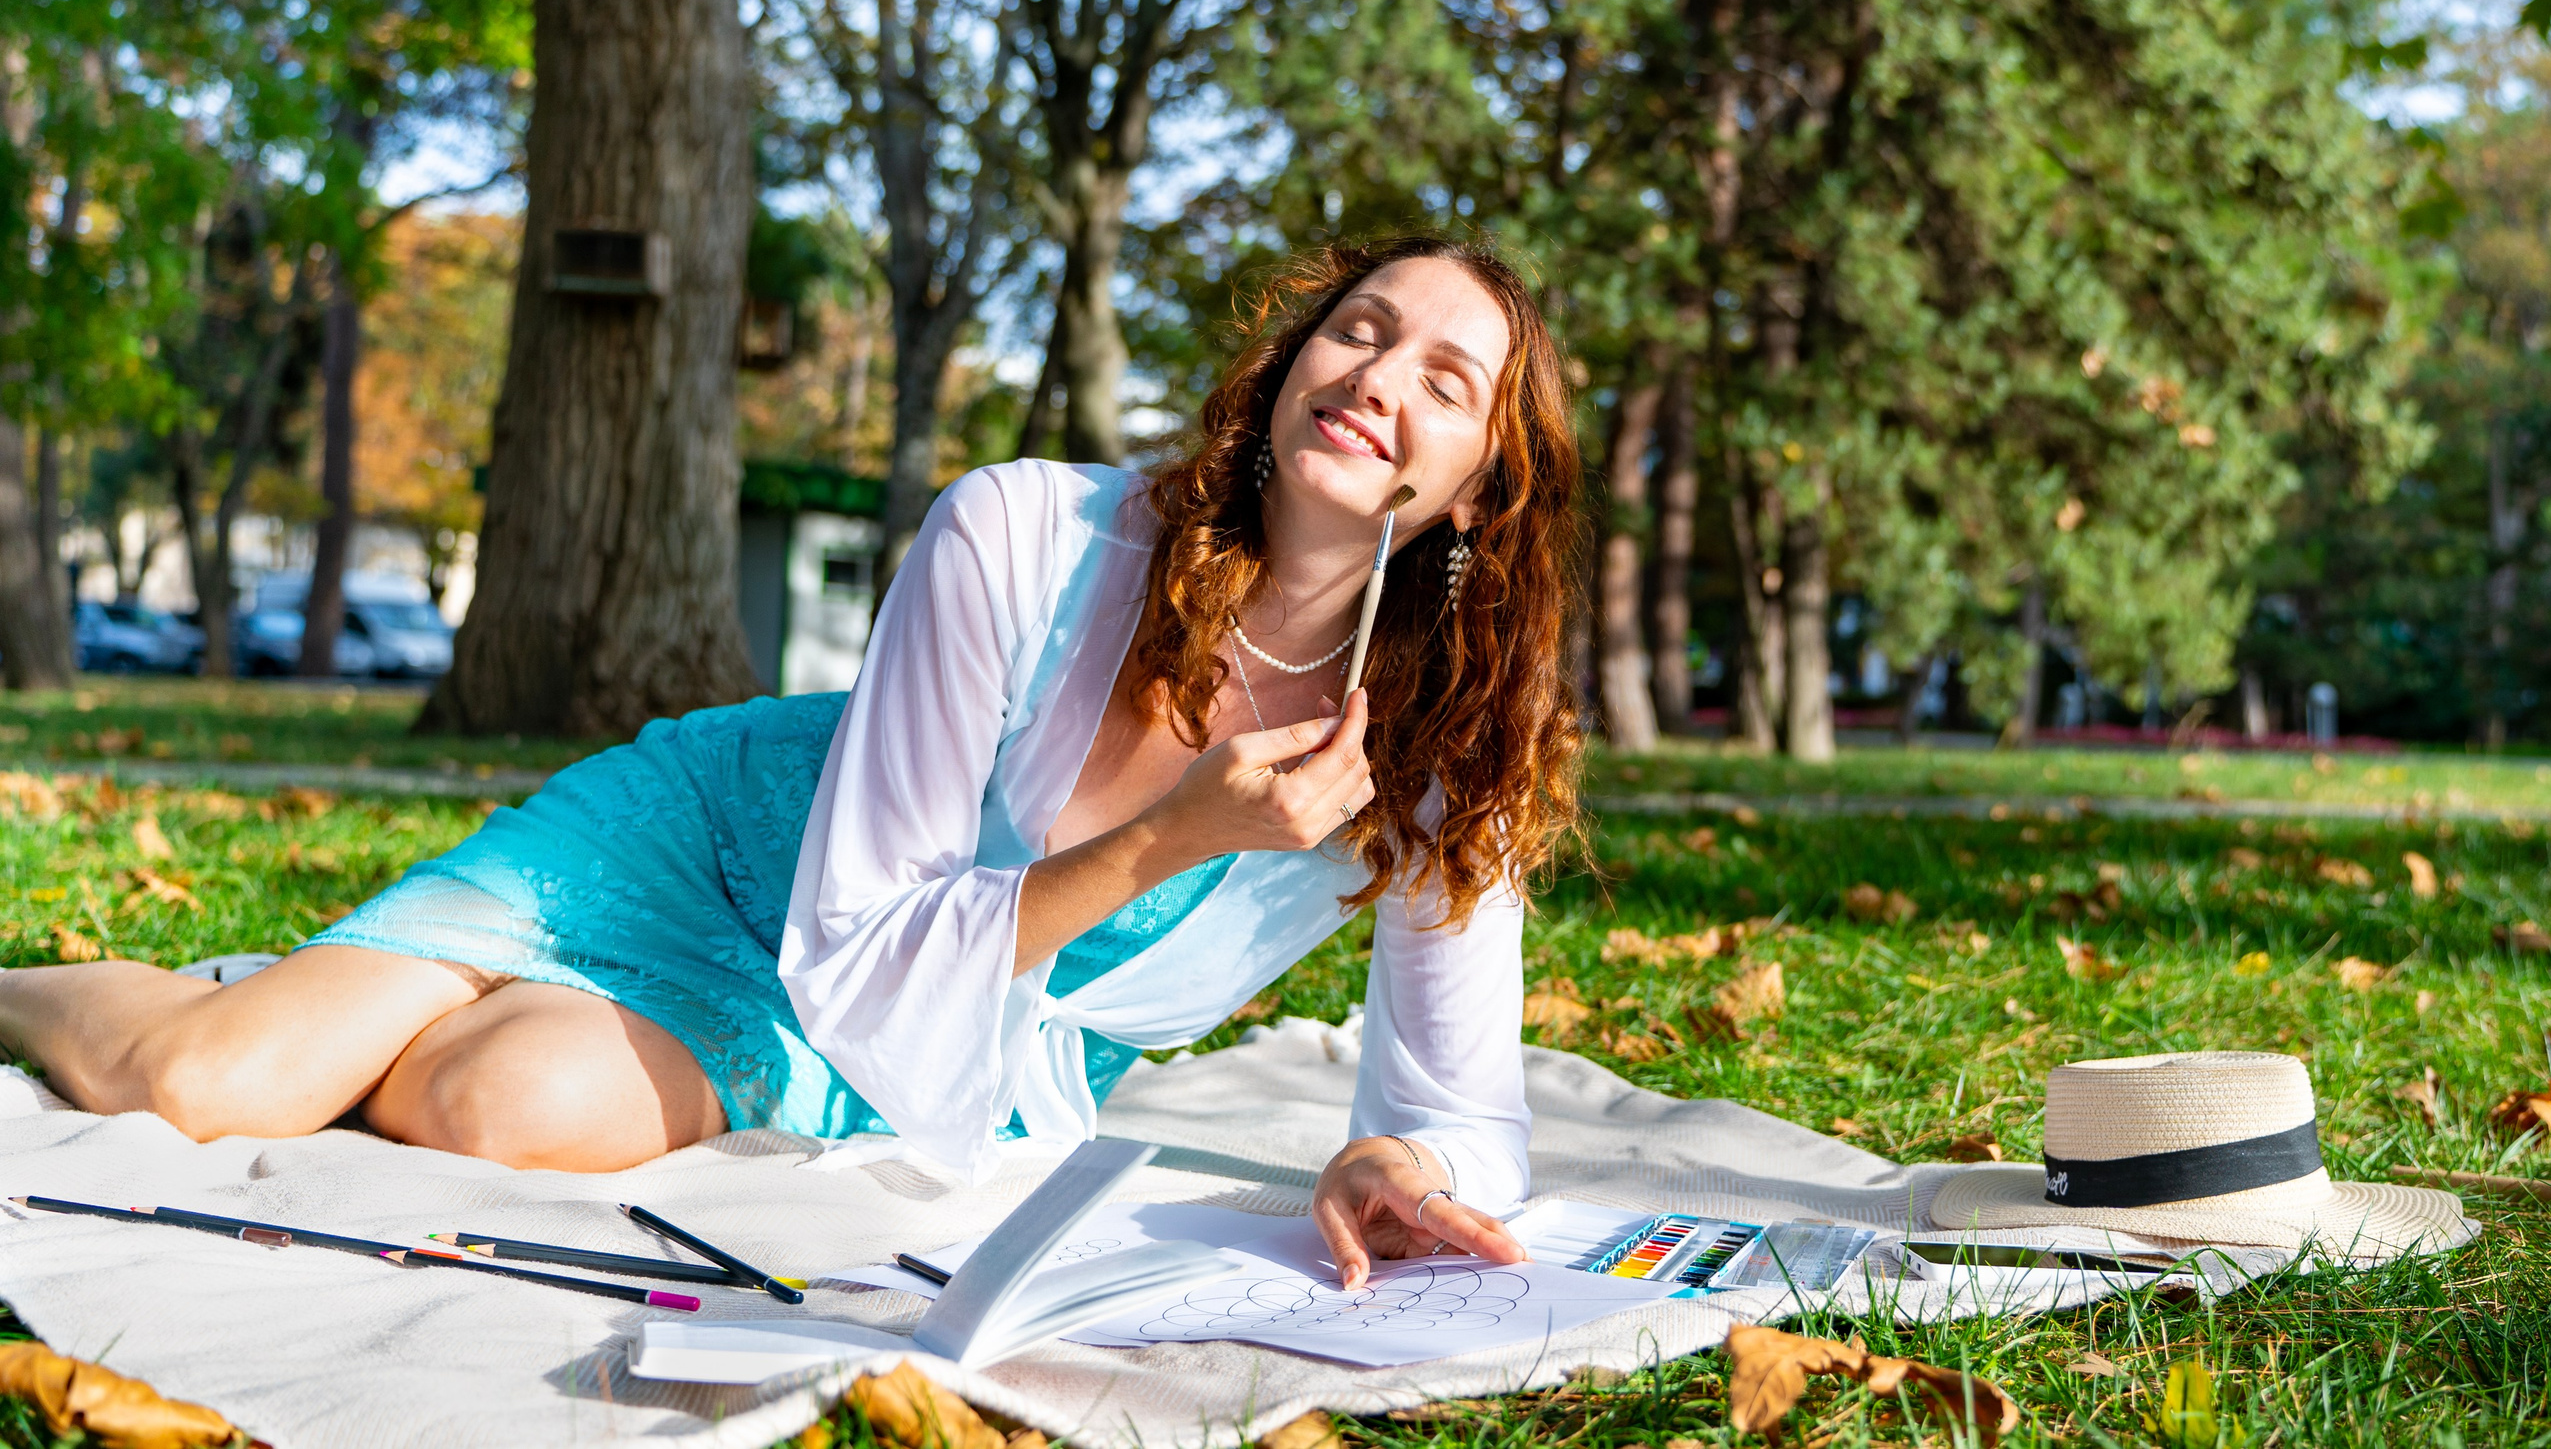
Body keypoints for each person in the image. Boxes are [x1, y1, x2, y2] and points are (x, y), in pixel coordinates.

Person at [0, 234, 1584, 1286]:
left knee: (491, 1105)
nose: (1378, 377)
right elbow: (864, 926)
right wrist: (1171, 835)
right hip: (713, 852)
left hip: (896, 1035)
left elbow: (1463, 1107)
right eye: (1358, 330)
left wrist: (1395, 1161)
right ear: (1293, 362)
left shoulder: (1445, 747)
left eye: (1444, 383)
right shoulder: (1024, 534)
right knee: (202, 1084)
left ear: (1477, 493)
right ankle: (79, 990)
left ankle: (396, 1003)